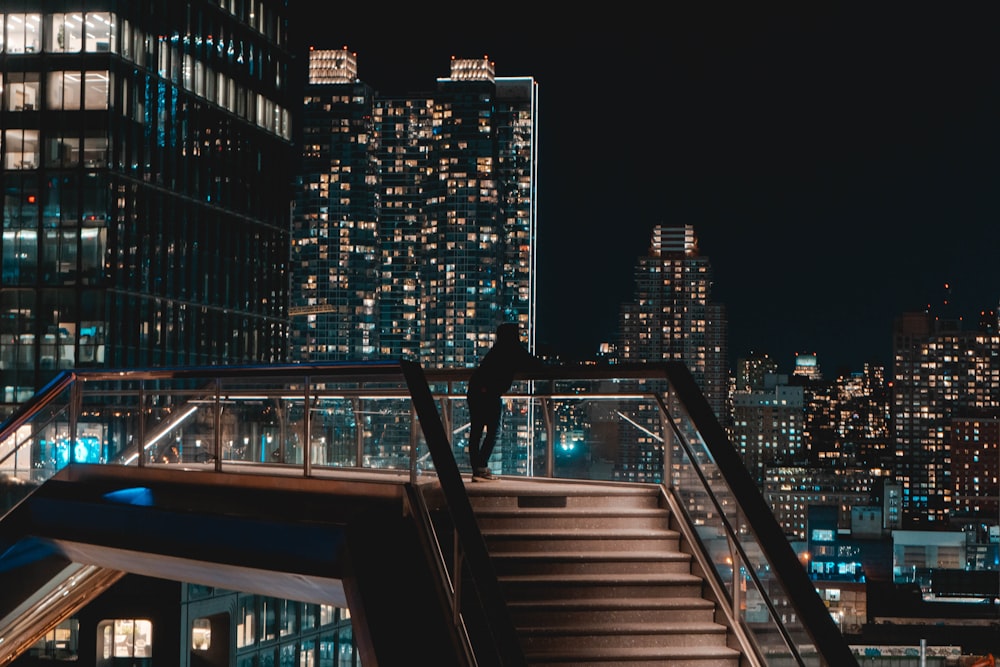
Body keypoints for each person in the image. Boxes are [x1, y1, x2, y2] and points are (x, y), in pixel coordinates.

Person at [466, 322, 543, 481]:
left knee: (477, 431)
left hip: (476, 391)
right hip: (489, 394)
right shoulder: (512, 349)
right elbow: (534, 364)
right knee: (493, 431)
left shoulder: (497, 350)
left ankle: (478, 468)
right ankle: (480, 467)